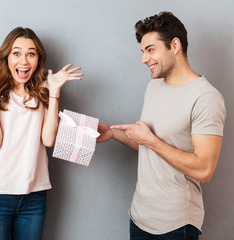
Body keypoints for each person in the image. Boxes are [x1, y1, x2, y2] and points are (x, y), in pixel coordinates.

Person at [97, 12, 226, 240]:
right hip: (139, 216)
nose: (144, 59)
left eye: (150, 49)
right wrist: (114, 133)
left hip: (176, 225)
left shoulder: (206, 97)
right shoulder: (154, 87)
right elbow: (149, 145)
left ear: (174, 45)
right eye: (143, 51)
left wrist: (151, 141)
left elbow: (204, 170)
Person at [0, 27, 83, 240]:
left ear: (38, 59)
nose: (24, 61)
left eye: (30, 54)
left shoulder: (43, 88)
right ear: (6, 57)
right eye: (17, 53)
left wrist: (54, 92)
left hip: (34, 196)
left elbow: (48, 140)